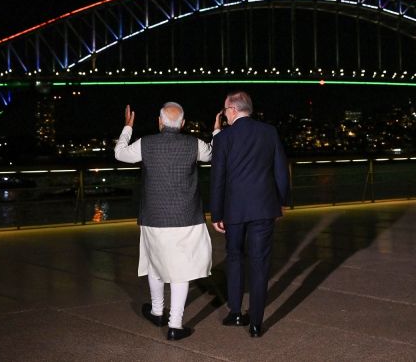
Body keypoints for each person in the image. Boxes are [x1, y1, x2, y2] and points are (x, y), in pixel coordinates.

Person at [115, 101, 220, 341]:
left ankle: (157, 311)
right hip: (187, 216)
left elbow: (119, 153)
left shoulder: (146, 143)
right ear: (182, 124)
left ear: (160, 122)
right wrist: (216, 131)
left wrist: (128, 127)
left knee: (155, 263)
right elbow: (215, 153)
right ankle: (175, 325)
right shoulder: (194, 144)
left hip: (154, 216)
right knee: (181, 270)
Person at [209, 91, 290, 338]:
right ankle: (256, 323)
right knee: (259, 263)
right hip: (264, 207)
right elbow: (281, 170)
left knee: (234, 257)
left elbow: (218, 179)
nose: (224, 114)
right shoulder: (269, 132)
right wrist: (281, 202)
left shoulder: (223, 138)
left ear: (233, 110)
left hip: (233, 209)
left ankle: (235, 312)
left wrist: (216, 213)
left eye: (225, 110)